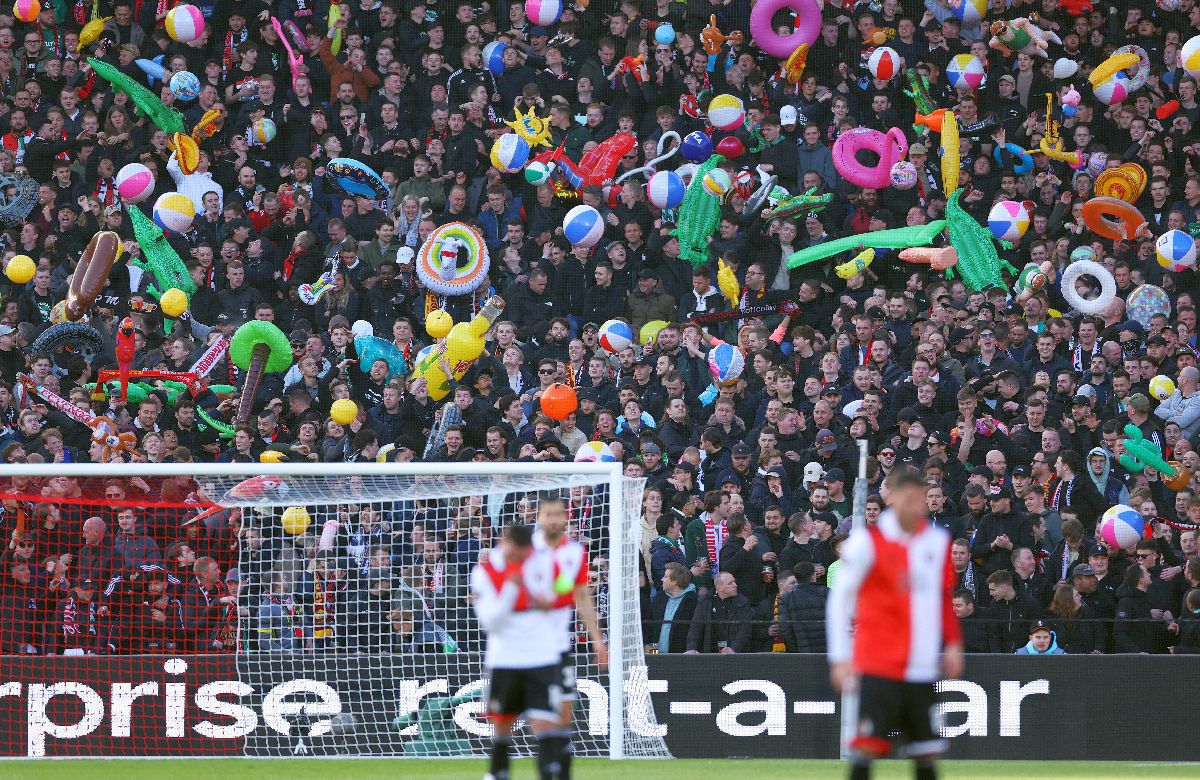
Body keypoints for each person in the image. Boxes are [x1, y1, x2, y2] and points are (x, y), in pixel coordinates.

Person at [827, 467, 962, 780]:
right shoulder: (867, 542)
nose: (915, 506)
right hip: (878, 664)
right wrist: (840, 657)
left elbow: (942, 597)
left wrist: (953, 642)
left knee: (926, 752)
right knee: (867, 748)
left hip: (922, 665)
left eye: (920, 500)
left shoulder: (937, 541)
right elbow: (839, 600)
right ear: (894, 499)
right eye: (908, 499)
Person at [470, 524, 563, 780]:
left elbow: (566, 582)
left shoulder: (540, 562)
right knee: (502, 724)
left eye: (524, 554)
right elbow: (490, 622)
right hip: (505, 657)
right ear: (505, 543)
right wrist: (512, 588)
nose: (520, 558)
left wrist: (554, 597)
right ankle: (497, 772)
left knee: (544, 722)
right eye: (515, 553)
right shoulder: (484, 571)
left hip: (541, 655)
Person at [532, 493, 605, 778]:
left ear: (565, 518)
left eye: (557, 514)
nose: (553, 519)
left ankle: (561, 758)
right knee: (539, 712)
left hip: (558, 644)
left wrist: (598, 641)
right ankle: (546, 764)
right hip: (529, 644)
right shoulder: (527, 550)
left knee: (564, 710)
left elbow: (581, 597)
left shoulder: (574, 553)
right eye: (547, 514)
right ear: (539, 518)